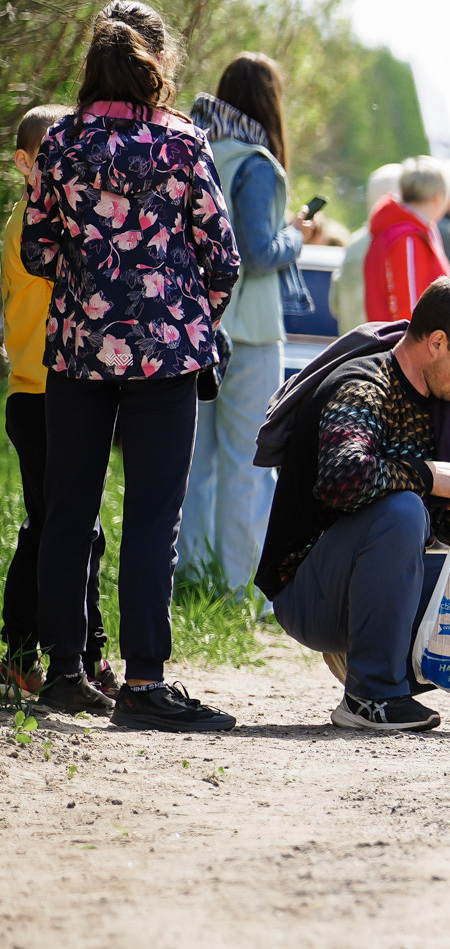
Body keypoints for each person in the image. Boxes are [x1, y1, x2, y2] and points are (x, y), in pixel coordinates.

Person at [26, 0, 242, 730]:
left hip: (78, 349)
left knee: (68, 511)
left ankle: (63, 670)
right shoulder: (182, 143)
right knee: (154, 517)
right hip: (166, 353)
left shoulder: (60, 139)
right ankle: (146, 683)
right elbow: (224, 256)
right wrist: (188, 313)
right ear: (156, 67)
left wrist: (88, 282)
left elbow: (36, 251)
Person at [255, 276, 450, 731]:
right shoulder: (363, 384)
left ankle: (384, 665)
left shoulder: (444, 397)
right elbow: (341, 480)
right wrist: (429, 476)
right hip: (314, 592)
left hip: (389, 584)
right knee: (401, 508)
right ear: (438, 342)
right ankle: (371, 694)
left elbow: (435, 532)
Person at [180, 55, 316, 595]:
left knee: (196, 467)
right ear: (268, 102)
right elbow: (258, 253)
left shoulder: (196, 148)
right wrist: (299, 234)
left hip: (197, 326)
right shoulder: (259, 163)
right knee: (250, 464)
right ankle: (239, 588)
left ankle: (188, 577)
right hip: (252, 330)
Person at [0, 106, 110, 697]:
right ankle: (26, 651)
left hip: (59, 391)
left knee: (75, 528)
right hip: (40, 393)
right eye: (54, 154)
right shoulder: (29, 226)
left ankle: (83, 655)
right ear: (25, 163)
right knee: (56, 528)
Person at [365, 157, 450, 323]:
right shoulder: (407, 240)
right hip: (409, 345)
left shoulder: (414, 230)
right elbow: (409, 311)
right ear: (438, 196)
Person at [334, 162, 402, 332]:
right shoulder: (395, 243)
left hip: (350, 346)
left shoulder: (354, 243)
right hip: (379, 349)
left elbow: (335, 303)